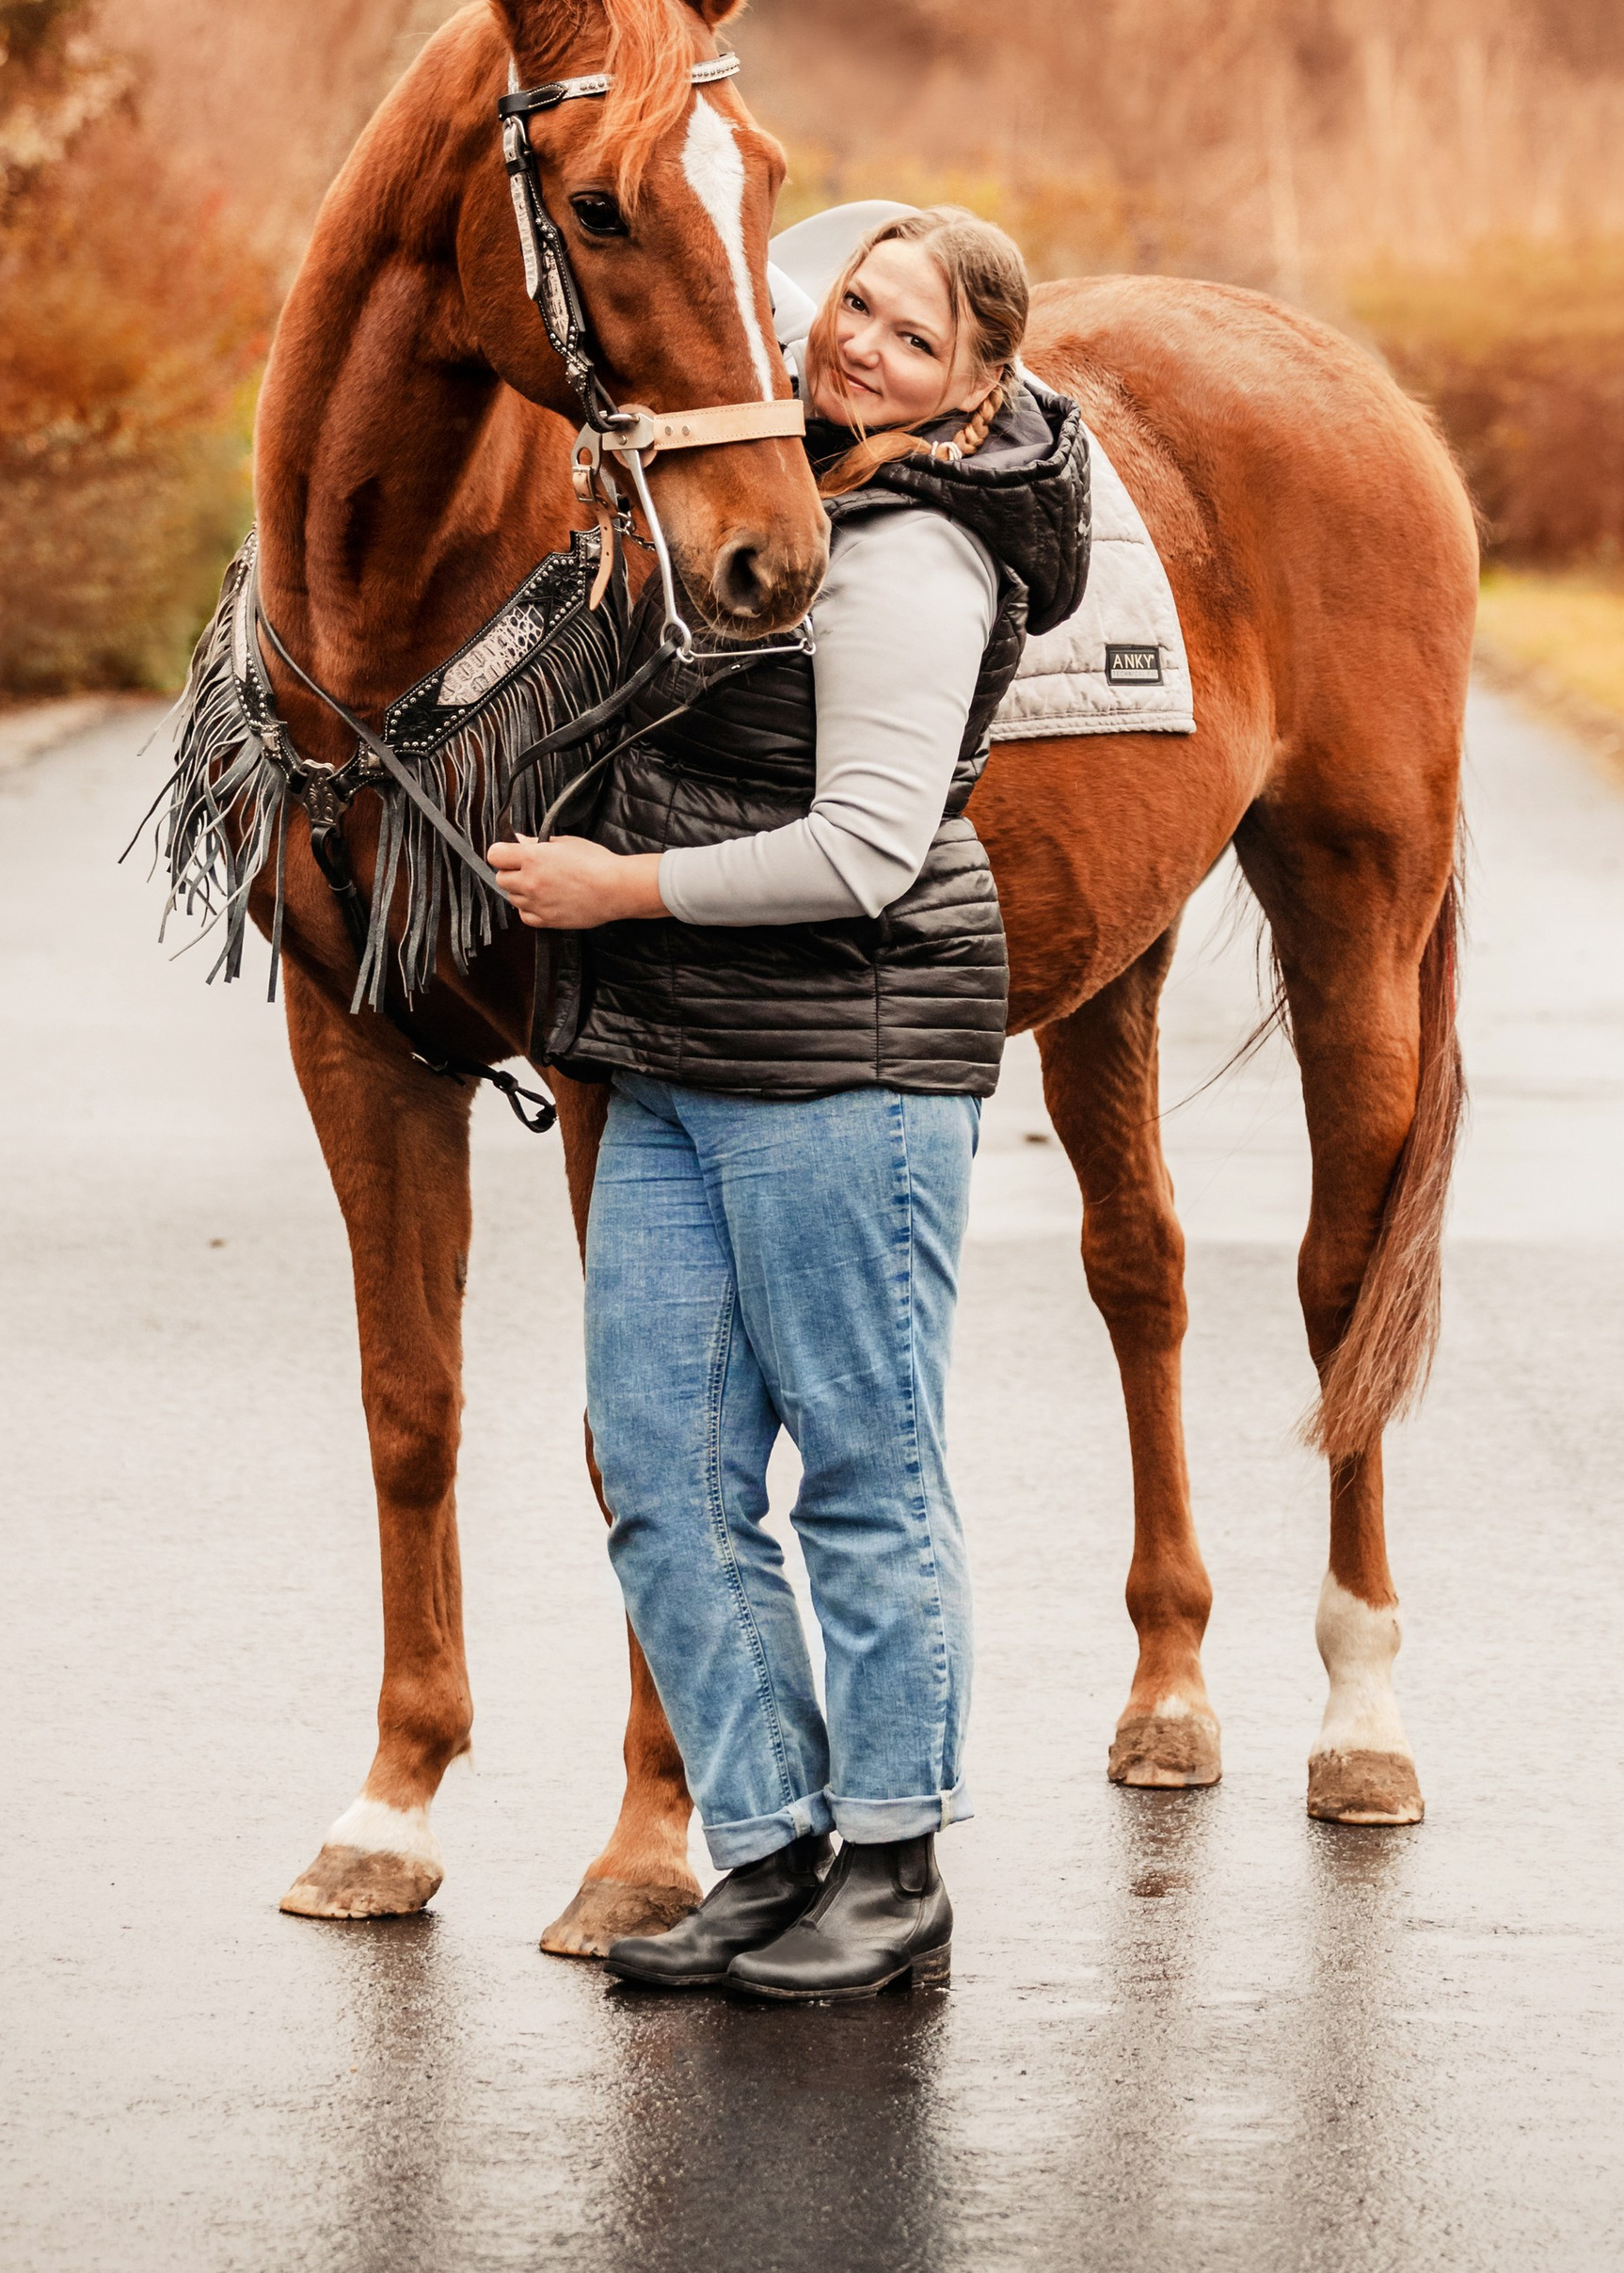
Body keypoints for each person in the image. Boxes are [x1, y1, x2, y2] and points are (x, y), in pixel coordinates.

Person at [489, 207, 1091, 2002]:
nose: (861, 348)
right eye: (858, 306)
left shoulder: (916, 557)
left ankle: (895, 1867)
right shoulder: (779, 489)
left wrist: (616, 891)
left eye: (914, 340)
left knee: (862, 1468)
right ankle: (767, 1848)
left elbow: (865, 850)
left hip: (847, 1060)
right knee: (661, 1468)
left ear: (972, 390)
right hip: (679, 1051)